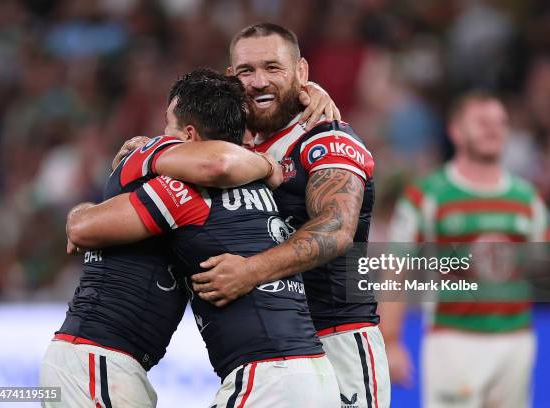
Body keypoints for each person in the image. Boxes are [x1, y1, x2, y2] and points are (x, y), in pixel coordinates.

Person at [41, 69, 341, 407]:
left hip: (261, 378)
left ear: (188, 135)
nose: (159, 135)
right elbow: (80, 226)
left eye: (167, 127)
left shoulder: (179, 185)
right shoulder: (262, 189)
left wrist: (80, 214)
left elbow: (81, 227)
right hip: (313, 371)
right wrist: (272, 162)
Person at [188, 23, 390, 408]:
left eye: (273, 68)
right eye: (246, 71)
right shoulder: (233, 146)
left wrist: (248, 271)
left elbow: (335, 229)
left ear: (302, 73)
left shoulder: (328, 139)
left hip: (338, 341)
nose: (259, 81)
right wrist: (152, 150)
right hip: (268, 352)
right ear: (232, 79)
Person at [380, 90, 550, 408]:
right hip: (454, 341)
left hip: (516, 340)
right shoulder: (428, 195)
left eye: (500, 122)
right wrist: (390, 340)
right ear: (456, 131)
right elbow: (396, 268)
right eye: (482, 122)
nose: (493, 129)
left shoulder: (526, 198)